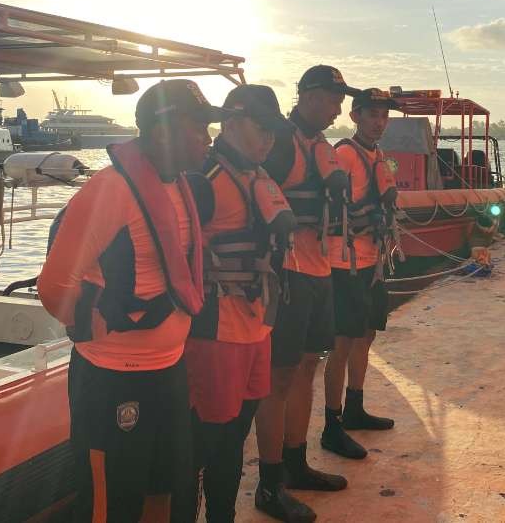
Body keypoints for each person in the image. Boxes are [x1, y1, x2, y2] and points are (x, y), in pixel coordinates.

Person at [38, 79, 227, 523]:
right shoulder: (111, 190)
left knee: (166, 487)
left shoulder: (180, 186)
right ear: (162, 131)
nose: (207, 137)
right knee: (112, 505)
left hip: (168, 370)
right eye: (197, 126)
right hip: (111, 380)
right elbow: (54, 286)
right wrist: (98, 334)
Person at [171, 84, 295, 523]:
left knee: (235, 440)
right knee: (205, 445)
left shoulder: (259, 177)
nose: (268, 140)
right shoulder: (202, 182)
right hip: (215, 334)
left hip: (256, 329)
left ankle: (223, 515)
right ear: (231, 123)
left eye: (273, 132)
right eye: (261, 129)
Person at [256, 65, 360, 523]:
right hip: (288, 272)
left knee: (307, 368)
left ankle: (296, 462)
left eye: (340, 100)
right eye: (332, 98)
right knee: (279, 378)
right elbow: (257, 196)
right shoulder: (279, 141)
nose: (338, 108)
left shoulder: (319, 146)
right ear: (308, 95)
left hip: (318, 269)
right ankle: (269, 481)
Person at [321, 88, 400, 460]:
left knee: (366, 335)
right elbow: (331, 209)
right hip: (344, 263)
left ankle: (355, 407)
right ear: (355, 117)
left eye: (383, 116)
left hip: (372, 261)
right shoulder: (344, 156)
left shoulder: (378, 155)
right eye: (371, 114)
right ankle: (331, 424)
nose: (378, 122)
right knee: (341, 343)